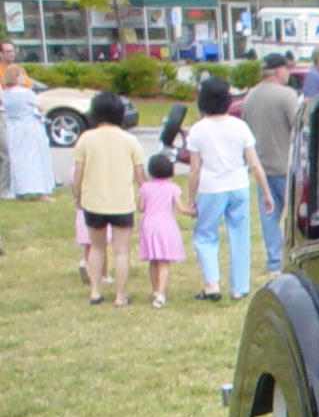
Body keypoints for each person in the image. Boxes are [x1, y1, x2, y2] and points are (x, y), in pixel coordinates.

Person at [185, 75, 273, 301]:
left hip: (211, 187)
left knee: (205, 234)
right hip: (238, 185)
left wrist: (190, 198)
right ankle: (239, 287)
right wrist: (266, 192)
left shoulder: (197, 130)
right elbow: (254, 163)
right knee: (240, 235)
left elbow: (195, 170)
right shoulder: (240, 126)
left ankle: (212, 283)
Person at [70, 90, 145, 306]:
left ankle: (95, 291)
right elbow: (140, 175)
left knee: (97, 247)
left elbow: (78, 172)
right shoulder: (130, 140)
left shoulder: (86, 139)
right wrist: (145, 195)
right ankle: (120, 296)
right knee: (121, 251)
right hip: (122, 202)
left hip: (93, 201)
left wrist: (77, 195)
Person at [240, 52, 297, 274]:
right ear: (278, 71)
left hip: (261, 167)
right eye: (286, 69)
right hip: (286, 165)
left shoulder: (250, 97)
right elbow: (299, 126)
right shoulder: (286, 95)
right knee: (293, 215)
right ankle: (293, 254)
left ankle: (274, 260)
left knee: (268, 215)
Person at [138, 153, 192, 308]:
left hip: (149, 224)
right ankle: (161, 293)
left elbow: (141, 207)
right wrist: (192, 211)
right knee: (164, 261)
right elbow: (180, 208)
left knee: (153, 259)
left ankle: (155, 289)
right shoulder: (172, 188)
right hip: (166, 225)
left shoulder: (145, 187)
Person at [2, 64, 56, 199]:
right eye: (21, 75)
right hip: (30, 127)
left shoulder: (5, 94)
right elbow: (40, 106)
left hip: (14, 128)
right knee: (35, 158)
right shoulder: (26, 93)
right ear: (15, 77)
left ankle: (20, 191)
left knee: (18, 159)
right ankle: (41, 192)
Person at [0, 40, 14, 202]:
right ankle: (5, 190)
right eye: (8, 51)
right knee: (7, 154)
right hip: (2, 115)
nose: (11, 54)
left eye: (12, 51)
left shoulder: (16, 70)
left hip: (10, 115)